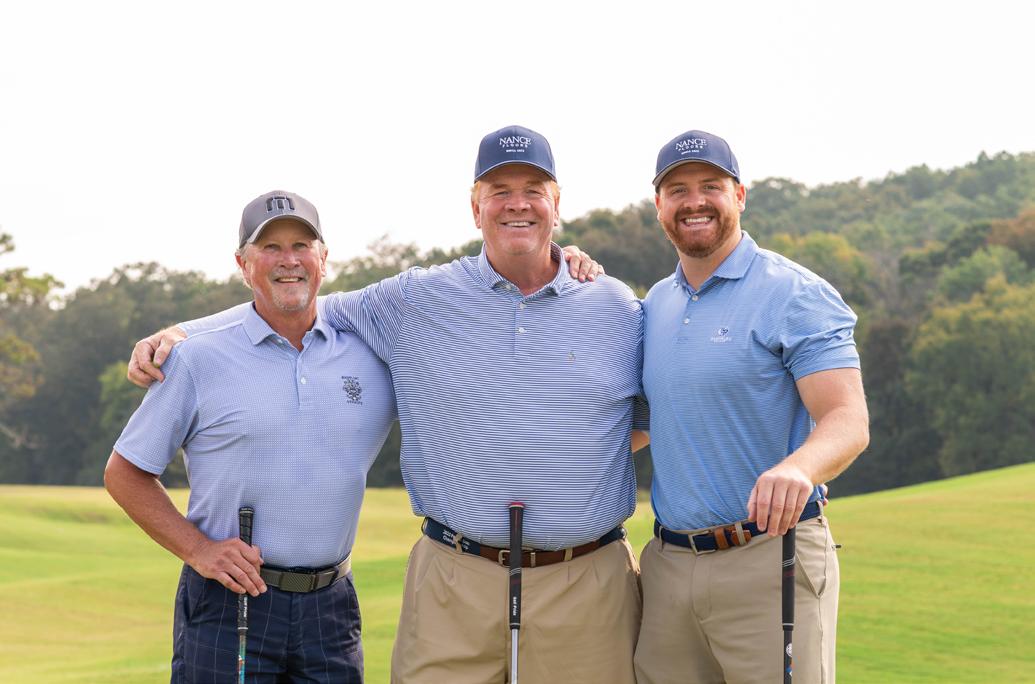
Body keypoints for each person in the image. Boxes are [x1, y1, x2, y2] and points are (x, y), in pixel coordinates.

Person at [128, 126, 647, 684]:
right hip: (453, 577)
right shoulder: (413, 299)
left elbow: (644, 422)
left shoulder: (616, 307)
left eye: (533, 191)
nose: (516, 204)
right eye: (499, 191)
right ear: (475, 207)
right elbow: (296, 302)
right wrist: (182, 330)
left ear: (557, 205)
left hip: (584, 577)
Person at [105, 190, 397, 682]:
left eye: (301, 245)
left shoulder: (370, 354)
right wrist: (199, 550)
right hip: (228, 601)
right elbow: (125, 473)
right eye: (270, 248)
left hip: (331, 608)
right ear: (243, 265)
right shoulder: (195, 358)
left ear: (323, 258)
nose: (289, 260)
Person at [634, 130, 870, 683]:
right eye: (678, 190)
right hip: (668, 567)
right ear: (659, 206)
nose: (694, 201)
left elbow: (847, 419)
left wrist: (799, 468)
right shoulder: (654, 305)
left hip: (770, 557)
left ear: (739, 195)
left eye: (711, 186)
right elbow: (645, 421)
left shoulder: (795, 293)